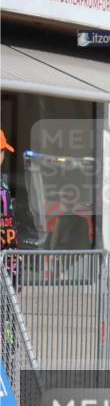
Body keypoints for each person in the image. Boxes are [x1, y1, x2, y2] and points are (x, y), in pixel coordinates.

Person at [1, 129, 18, 378]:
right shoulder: (2, 188)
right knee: (7, 321)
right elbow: (7, 229)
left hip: (8, 266)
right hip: (5, 270)